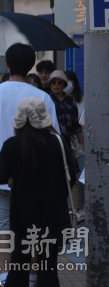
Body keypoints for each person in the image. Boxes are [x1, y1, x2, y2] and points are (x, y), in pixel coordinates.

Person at [0, 44, 60, 287]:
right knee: (33, 232)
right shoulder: (43, 97)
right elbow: (53, 136)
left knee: (2, 233)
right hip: (34, 179)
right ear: (31, 66)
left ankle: (6, 281)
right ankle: (33, 280)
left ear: (7, 64)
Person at [0, 98, 76, 287]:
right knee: (48, 268)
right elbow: (70, 176)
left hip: (22, 215)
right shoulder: (58, 142)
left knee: (19, 266)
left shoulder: (11, 145)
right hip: (52, 214)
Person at [49, 70, 84, 222]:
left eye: (59, 82)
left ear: (64, 84)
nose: (56, 85)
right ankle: (55, 209)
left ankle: (75, 210)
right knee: (53, 177)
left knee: (73, 176)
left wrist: (82, 143)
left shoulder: (71, 102)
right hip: (51, 144)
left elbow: (76, 125)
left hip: (68, 143)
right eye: (53, 82)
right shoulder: (46, 100)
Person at [65, 69, 85, 218]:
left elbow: (81, 124)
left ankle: (79, 208)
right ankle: (73, 209)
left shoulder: (81, 100)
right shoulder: (59, 101)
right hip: (67, 141)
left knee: (80, 174)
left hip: (80, 142)